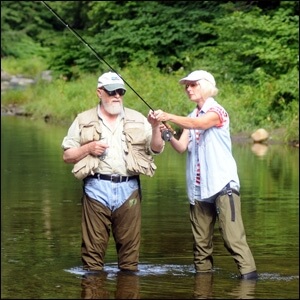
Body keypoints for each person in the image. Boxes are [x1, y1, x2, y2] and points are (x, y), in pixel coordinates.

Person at [154, 70, 257, 280]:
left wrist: (169, 116)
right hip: (199, 189)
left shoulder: (217, 112)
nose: (188, 88)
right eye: (187, 86)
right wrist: (167, 133)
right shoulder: (191, 117)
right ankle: (202, 287)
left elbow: (199, 125)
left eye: (193, 84)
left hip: (222, 185)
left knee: (232, 238)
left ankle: (250, 283)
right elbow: (182, 147)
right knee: (200, 246)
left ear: (206, 86)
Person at [61, 71, 164, 272]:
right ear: (99, 92)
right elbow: (67, 156)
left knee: (130, 257)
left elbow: (157, 148)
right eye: (111, 91)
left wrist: (156, 127)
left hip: (129, 190)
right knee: (92, 257)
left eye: (120, 91)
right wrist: (87, 148)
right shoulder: (83, 119)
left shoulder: (138, 118)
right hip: (95, 189)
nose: (117, 96)